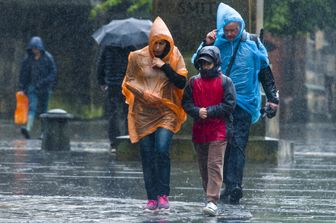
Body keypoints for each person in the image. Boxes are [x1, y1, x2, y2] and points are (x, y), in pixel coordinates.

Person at [193, 3, 279, 204]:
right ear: (220, 27)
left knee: (238, 142)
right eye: (227, 30)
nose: (231, 34)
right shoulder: (214, 44)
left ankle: (234, 185)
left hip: (245, 103)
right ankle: (227, 184)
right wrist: (205, 43)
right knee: (223, 143)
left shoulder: (253, 42)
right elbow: (199, 63)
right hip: (220, 103)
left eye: (235, 29)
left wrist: (273, 98)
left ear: (241, 26)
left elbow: (265, 72)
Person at [122, 17, 188, 211]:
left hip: (166, 110)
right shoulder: (136, 57)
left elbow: (181, 82)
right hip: (143, 112)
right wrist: (143, 94)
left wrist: (164, 66)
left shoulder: (175, 56)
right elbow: (128, 81)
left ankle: (163, 194)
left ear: (168, 43)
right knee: (147, 154)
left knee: (161, 149)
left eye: (162, 43)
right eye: (155, 42)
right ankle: (151, 196)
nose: (158, 47)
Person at [182, 46, 236, 216]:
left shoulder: (226, 81)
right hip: (200, 131)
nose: (205, 66)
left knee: (214, 164)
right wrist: (197, 112)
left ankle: (212, 200)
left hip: (219, 131)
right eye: (202, 63)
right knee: (204, 166)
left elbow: (229, 105)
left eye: (208, 63)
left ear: (216, 63)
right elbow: (186, 103)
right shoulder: (193, 82)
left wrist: (209, 111)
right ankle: (209, 196)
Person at [18, 36, 57, 139]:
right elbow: (24, 74)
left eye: (36, 48)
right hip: (32, 87)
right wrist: (22, 88)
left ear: (40, 48)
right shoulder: (28, 59)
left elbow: (53, 73)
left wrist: (44, 83)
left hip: (45, 88)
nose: (34, 50)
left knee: (44, 111)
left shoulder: (48, 58)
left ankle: (43, 133)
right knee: (32, 107)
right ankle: (27, 128)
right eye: (33, 48)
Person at [96, 46, 134, 150]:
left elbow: (100, 65)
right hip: (127, 86)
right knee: (128, 113)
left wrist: (102, 82)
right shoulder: (130, 48)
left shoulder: (107, 48)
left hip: (112, 85)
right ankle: (128, 138)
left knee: (113, 114)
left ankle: (114, 142)